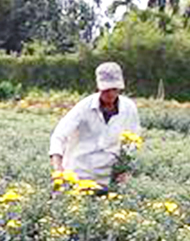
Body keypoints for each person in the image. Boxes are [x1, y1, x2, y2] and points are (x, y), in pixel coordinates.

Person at [48, 61, 141, 189]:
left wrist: (127, 170)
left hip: (109, 180)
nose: (110, 94)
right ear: (98, 87)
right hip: (77, 176)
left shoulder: (129, 108)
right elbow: (58, 136)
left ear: (120, 88)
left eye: (114, 89)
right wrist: (58, 170)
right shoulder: (84, 107)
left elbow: (133, 143)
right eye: (106, 90)